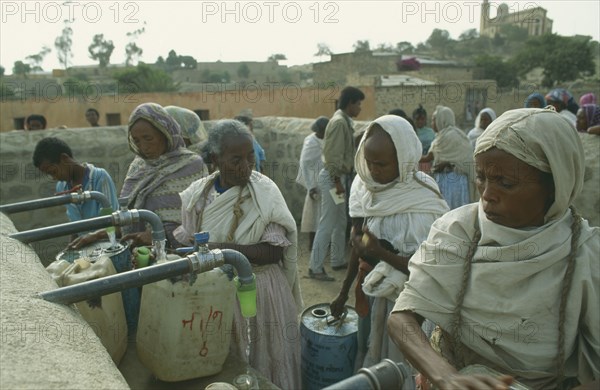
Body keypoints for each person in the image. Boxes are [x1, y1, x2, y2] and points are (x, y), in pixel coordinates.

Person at [388, 108, 599, 390]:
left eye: (505, 183)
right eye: (481, 178)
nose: (486, 195)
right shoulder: (458, 230)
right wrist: (445, 375)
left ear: (555, 185)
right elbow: (403, 317)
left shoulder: (586, 255)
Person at [173, 120, 303, 390]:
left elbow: (273, 250)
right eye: (235, 160)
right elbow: (188, 237)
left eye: (250, 157)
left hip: (260, 290)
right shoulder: (198, 195)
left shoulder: (265, 193)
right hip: (217, 293)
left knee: (265, 357)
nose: (245, 166)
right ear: (215, 159)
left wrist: (223, 251)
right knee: (225, 361)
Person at [330, 115, 449, 377]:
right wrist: (344, 291)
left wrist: (380, 253)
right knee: (369, 356)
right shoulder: (367, 189)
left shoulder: (422, 201)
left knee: (395, 367)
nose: (373, 170)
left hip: (403, 308)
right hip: (369, 292)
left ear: (405, 159)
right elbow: (359, 245)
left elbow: (430, 268)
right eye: (369, 162)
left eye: (381, 164)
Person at [69, 102, 207, 250]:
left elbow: (201, 220)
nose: (144, 147)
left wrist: (158, 235)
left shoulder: (192, 165)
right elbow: (126, 218)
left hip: (179, 257)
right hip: (138, 254)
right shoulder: (138, 167)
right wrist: (96, 235)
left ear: (165, 133)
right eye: (137, 141)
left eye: (148, 138)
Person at [309, 86, 365, 281]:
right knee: (327, 222)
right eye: (358, 104)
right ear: (350, 103)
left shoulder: (344, 121)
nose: (360, 108)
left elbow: (345, 148)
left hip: (338, 178)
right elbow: (332, 155)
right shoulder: (339, 122)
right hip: (334, 179)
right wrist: (336, 182)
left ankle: (337, 259)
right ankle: (315, 267)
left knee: (340, 222)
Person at [32, 137, 119, 226]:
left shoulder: (99, 177)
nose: (54, 178)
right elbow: (74, 223)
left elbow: (112, 222)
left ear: (64, 158)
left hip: (105, 238)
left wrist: (92, 237)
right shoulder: (61, 186)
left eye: (53, 172)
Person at [420, 105, 478, 209]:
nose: (432, 123)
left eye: (434, 120)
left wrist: (448, 164)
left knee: (449, 210)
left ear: (442, 120)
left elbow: (465, 160)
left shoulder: (449, 136)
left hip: (453, 182)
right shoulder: (448, 135)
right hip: (450, 181)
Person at [296, 116, 329, 251]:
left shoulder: (327, 140)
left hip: (327, 181)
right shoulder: (311, 142)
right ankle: (312, 244)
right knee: (313, 216)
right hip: (315, 183)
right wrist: (311, 186)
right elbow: (305, 163)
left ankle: (325, 244)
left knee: (326, 214)